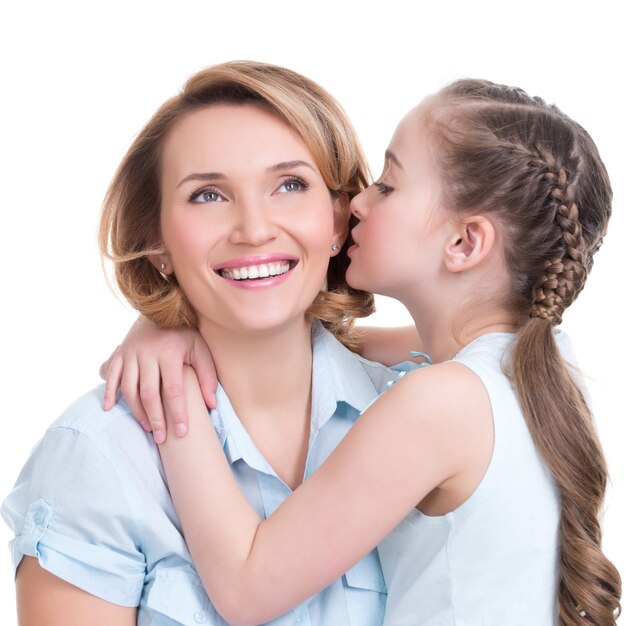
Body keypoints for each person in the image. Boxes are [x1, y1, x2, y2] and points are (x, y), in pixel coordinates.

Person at [115, 79, 622, 625]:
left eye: (387, 185)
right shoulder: (538, 363)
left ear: (464, 243)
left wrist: (177, 387)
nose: (355, 201)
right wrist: (165, 320)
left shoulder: (441, 402)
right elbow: (327, 346)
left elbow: (245, 588)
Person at [1, 60, 419, 625]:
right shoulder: (99, 455)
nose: (254, 228)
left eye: (290, 184)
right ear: (156, 243)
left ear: (340, 219)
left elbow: (517, 340)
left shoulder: (418, 412)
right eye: (207, 196)